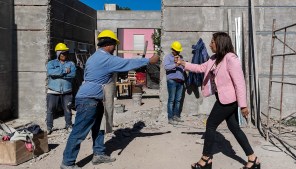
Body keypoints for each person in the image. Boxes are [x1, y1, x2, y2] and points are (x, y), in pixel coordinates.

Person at [60, 29, 159, 169]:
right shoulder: (106, 58)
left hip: (95, 98)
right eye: (114, 45)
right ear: (109, 44)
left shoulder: (94, 57)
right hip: (89, 99)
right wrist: (148, 60)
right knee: (79, 132)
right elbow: (127, 63)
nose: (114, 48)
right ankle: (67, 163)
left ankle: (99, 153)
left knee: (99, 127)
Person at [177, 32, 260, 169]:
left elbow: (239, 83)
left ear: (220, 43)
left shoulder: (231, 59)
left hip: (229, 101)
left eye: (212, 42)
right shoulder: (214, 59)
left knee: (210, 125)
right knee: (234, 128)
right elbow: (200, 68)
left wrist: (243, 105)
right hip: (222, 98)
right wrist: (182, 63)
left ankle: (206, 159)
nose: (210, 44)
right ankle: (253, 159)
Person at [46, 43, 76, 135]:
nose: (64, 55)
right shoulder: (51, 63)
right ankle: (49, 127)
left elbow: (72, 74)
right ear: (58, 54)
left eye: (66, 53)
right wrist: (64, 71)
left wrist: (59, 74)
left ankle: (68, 125)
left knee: (67, 109)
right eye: (62, 53)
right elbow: (51, 72)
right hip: (53, 91)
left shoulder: (71, 64)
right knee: (50, 109)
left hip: (67, 91)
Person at [164, 41, 185, 125]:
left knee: (178, 100)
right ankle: (170, 118)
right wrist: (175, 64)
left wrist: (183, 64)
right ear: (173, 50)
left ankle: (176, 116)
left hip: (180, 81)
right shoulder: (168, 57)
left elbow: (183, 68)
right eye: (177, 50)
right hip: (172, 81)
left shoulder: (181, 57)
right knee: (171, 100)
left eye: (179, 50)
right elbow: (166, 67)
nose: (178, 52)